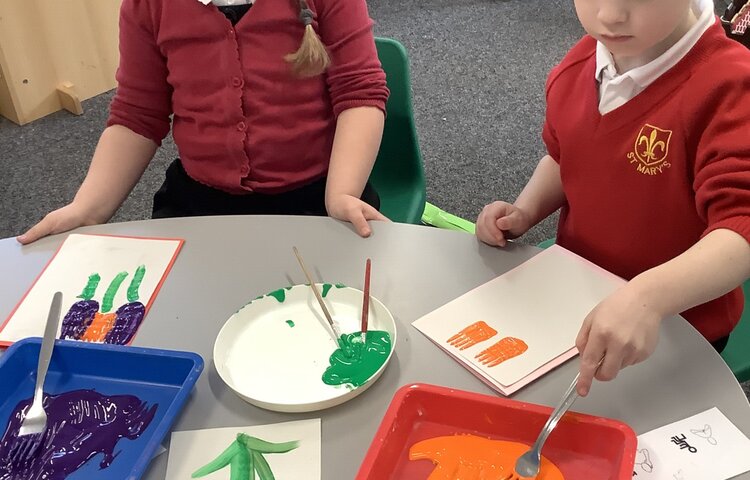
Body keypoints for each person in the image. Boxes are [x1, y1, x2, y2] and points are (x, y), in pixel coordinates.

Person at [476, 0, 750, 396]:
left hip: (677, 325)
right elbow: (565, 155)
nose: (609, 16)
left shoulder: (730, 88)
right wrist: (525, 209)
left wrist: (647, 298)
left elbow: (740, 230)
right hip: (576, 295)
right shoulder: (584, 59)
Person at [18, 0, 390, 244]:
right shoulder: (148, 5)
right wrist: (88, 207)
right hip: (200, 203)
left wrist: (341, 194)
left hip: (318, 196)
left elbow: (360, 92)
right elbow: (137, 114)